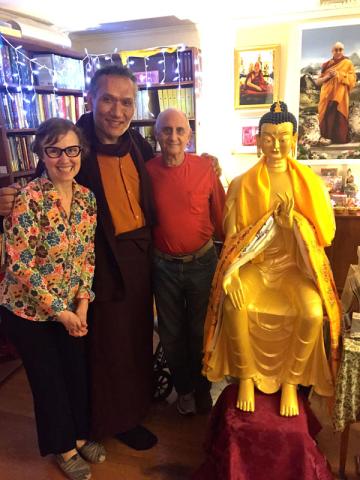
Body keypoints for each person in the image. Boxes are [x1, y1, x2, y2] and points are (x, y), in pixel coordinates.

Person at [202, 102, 341, 417]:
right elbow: (234, 239)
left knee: (312, 312)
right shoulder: (242, 184)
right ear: (257, 140)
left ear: (294, 139)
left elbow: (324, 237)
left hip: (293, 270)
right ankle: (247, 376)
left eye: (283, 137)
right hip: (257, 268)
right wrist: (231, 275)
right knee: (234, 303)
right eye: (268, 137)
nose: (276, 145)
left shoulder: (309, 183)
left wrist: (294, 225)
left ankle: (291, 381)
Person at [0, 118, 105, 480]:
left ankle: (79, 435)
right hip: (29, 312)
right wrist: (61, 312)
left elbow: (87, 256)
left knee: (77, 373)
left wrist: (83, 303)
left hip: (72, 309)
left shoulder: (88, 199)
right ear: (41, 154)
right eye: (54, 150)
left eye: (71, 149)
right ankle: (63, 448)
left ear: (81, 152)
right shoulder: (27, 199)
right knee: (50, 383)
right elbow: (19, 264)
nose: (64, 159)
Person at [146, 109, 225, 415]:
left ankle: (203, 387)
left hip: (202, 263)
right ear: (157, 135)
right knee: (171, 333)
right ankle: (184, 389)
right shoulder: (147, 172)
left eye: (180, 130)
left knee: (201, 330)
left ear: (189, 135)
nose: (174, 137)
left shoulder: (205, 167)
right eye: (167, 130)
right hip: (163, 266)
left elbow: (221, 216)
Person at [315, 41, 356, 145]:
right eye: (336, 49)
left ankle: (340, 140)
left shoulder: (348, 63)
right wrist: (328, 76)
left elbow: (352, 80)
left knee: (339, 117)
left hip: (340, 96)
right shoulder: (326, 64)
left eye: (340, 49)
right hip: (327, 95)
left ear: (343, 50)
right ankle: (326, 139)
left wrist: (339, 75)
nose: (338, 51)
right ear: (332, 51)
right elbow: (318, 82)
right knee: (326, 117)